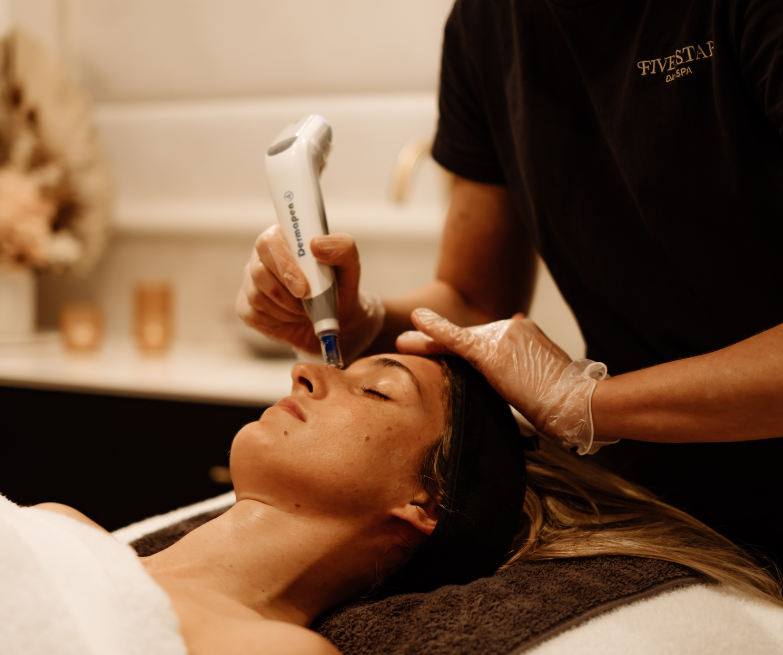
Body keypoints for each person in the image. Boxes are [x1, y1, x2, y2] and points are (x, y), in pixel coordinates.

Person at [236, 0, 783, 565]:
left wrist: (588, 402)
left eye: (379, 391)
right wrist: (361, 323)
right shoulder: (486, 24)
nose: (302, 375)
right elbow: (475, 301)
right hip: (652, 507)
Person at [0, 354, 781, 654]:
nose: (305, 371)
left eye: (377, 390)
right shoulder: (58, 525)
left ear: (426, 499)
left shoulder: (269, 651)